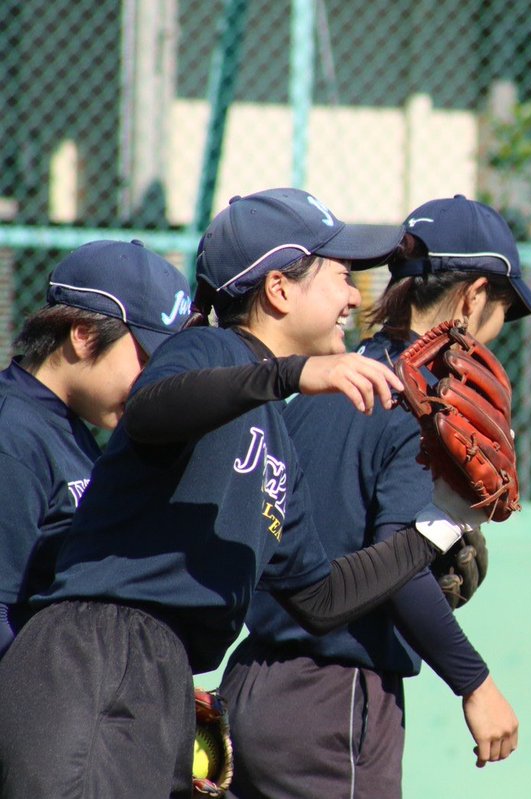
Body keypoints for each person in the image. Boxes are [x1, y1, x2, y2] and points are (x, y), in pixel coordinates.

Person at [0, 189, 487, 798]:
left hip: (159, 672)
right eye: (340, 276)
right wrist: (290, 373)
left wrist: (439, 522)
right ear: (279, 289)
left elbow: (319, 596)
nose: (353, 298)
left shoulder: (277, 439)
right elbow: (150, 408)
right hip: (96, 652)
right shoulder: (207, 349)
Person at [220, 195, 531, 797]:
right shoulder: (420, 406)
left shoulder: (333, 380)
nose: (496, 336)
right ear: (473, 297)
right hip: (330, 706)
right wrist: (475, 683)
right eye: (501, 312)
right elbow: (397, 564)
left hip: (254, 684)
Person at [0, 240, 190, 658]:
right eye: (147, 361)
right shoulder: (12, 435)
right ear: (84, 337)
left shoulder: (70, 427)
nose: (155, 383)